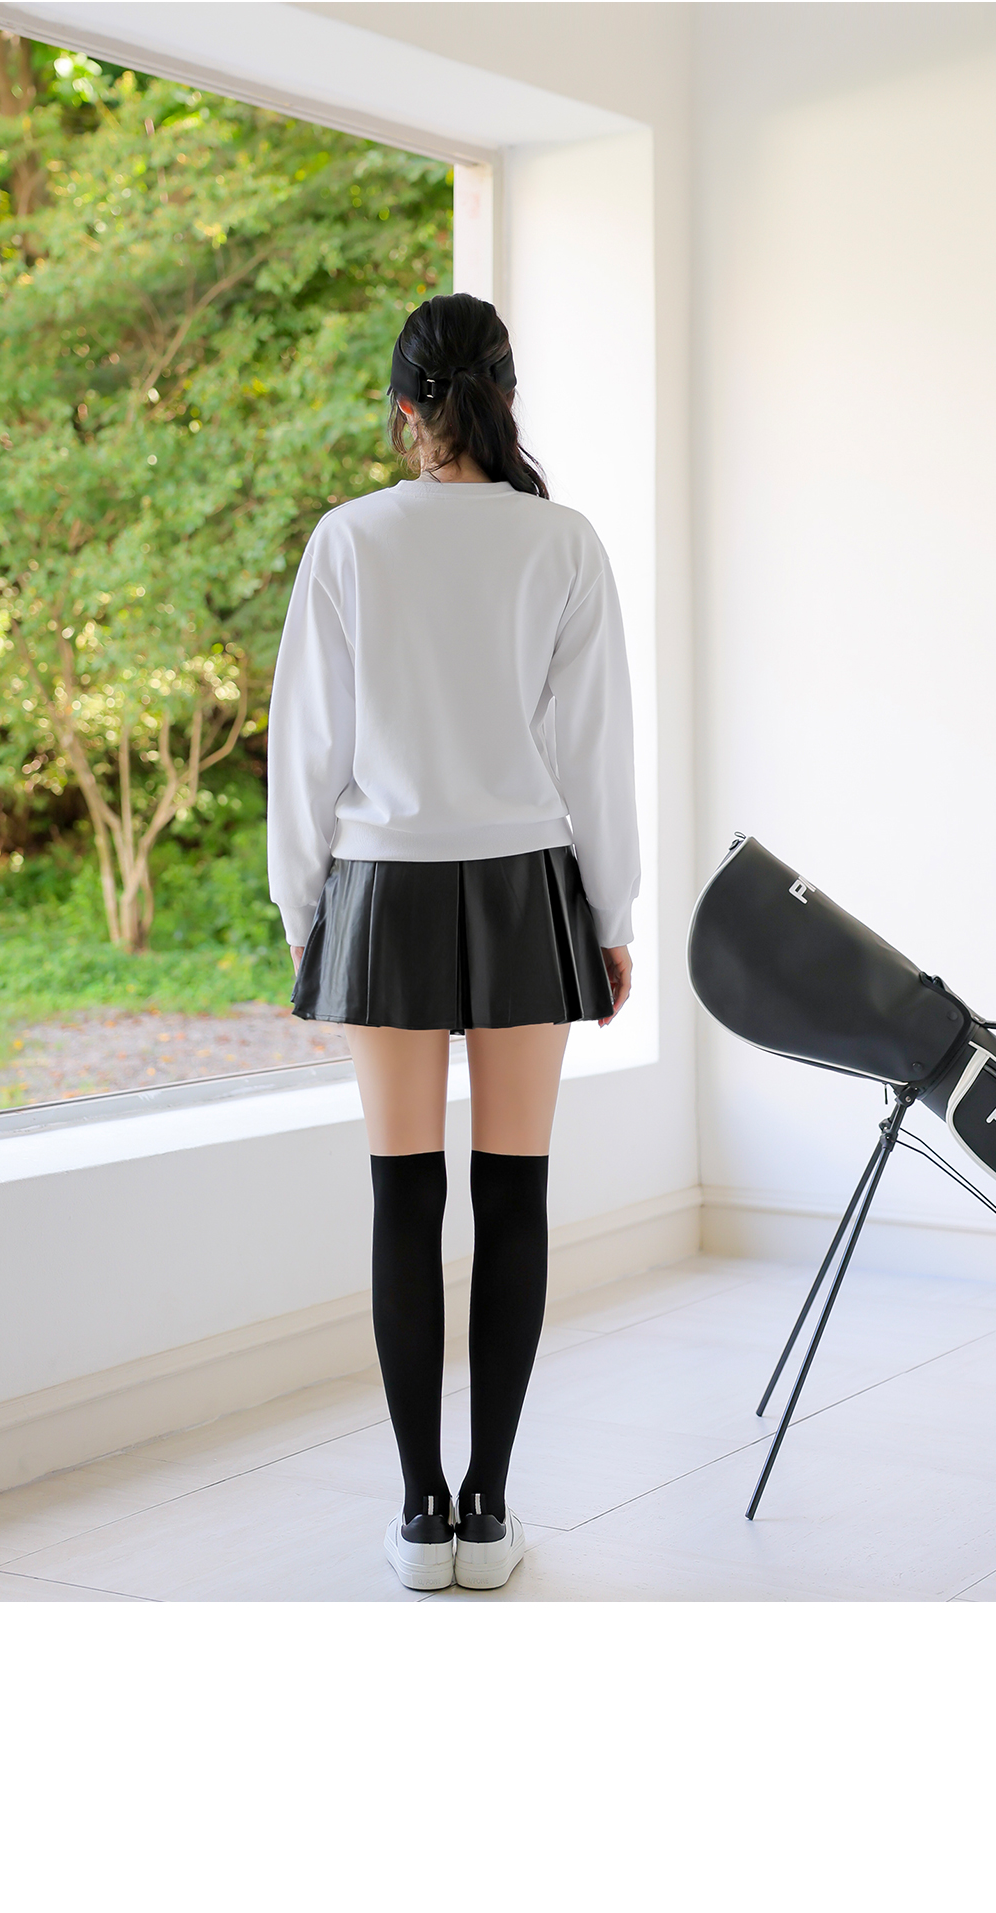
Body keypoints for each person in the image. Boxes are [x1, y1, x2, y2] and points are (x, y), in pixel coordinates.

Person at [266, 293, 638, 1593]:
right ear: (507, 396)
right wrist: (610, 917)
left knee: (402, 1194)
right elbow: (597, 750)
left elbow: (307, 747)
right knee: (515, 1193)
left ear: (403, 408)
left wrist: (304, 915)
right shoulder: (563, 542)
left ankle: (419, 1515)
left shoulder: (349, 538)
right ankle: (490, 1510)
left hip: (383, 890)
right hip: (529, 885)